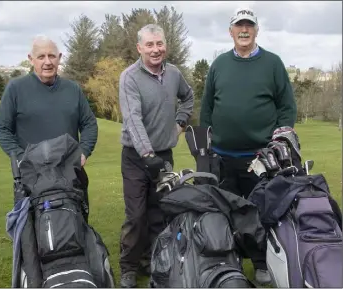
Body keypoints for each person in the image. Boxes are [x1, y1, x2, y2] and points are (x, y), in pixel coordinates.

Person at [200, 7, 297, 286]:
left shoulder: (273, 63)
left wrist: (280, 138)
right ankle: (228, 264)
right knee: (225, 213)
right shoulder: (219, 64)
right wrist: (206, 143)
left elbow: (286, 107)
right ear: (230, 31)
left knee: (259, 212)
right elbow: (207, 107)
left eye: (249, 26)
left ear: (256, 30)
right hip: (222, 156)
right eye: (239, 26)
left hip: (261, 158)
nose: (244, 30)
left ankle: (260, 262)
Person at [118, 24, 194, 288]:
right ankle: (128, 266)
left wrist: (180, 123)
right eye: (149, 45)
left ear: (165, 45)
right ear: (139, 48)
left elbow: (188, 97)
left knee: (160, 213)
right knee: (136, 215)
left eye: (159, 43)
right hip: (136, 158)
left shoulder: (173, 73)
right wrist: (147, 154)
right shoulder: (129, 77)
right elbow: (132, 120)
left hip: (164, 155)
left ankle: (154, 260)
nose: (155, 49)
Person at [0, 35, 98, 221]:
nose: (47, 62)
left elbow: (89, 123)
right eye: (41, 57)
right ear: (31, 59)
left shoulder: (72, 89)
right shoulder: (16, 88)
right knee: (35, 232)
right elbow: (2, 129)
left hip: (70, 174)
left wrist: (84, 151)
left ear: (59, 58)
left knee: (75, 228)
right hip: (32, 176)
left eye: (52, 56)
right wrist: (21, 158)